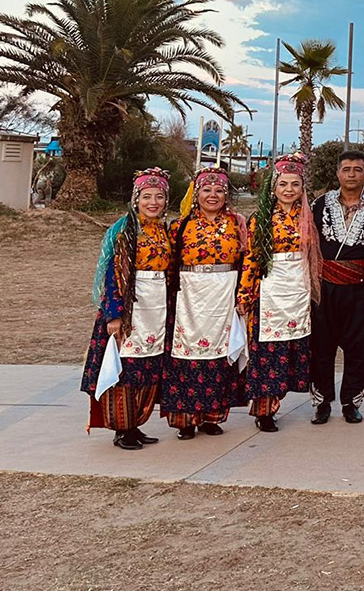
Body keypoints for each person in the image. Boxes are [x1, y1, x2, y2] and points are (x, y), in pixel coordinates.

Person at [80, 167, 172, 450]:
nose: (152, 202)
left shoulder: (163, 231)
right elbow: (113, 275)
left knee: (147, 367)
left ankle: (136, 424)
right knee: (125, 369)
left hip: (155, 307)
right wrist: (114, 315)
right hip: (130, 308)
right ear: (136, 199)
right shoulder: (124, 231)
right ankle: (122, 428)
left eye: (159, 197)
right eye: (147, 197)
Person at [162, 166, 247, 440]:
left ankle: (212, 416)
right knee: (186, 356)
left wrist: (243, 296)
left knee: (220, 357)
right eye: (207, 190)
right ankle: (185, 420)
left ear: (227, 194)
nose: (213, 195)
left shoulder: (238, 224)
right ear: (196, 193)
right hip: (190, 296)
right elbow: (170, 266)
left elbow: (246, 262)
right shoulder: (180, 225)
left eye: (219, 190)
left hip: (224, 294)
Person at [240, 154, 321, 432]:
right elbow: (251, 258)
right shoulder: (261, 218)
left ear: (302, 188)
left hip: (298, 290)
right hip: (270, 290)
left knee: (290, 350)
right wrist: (245, 294)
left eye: (295, 184)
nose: (289, 189)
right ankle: (264, 411)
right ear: (273, 186)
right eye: (283, 183)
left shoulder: (308, 217)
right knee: (267, 351)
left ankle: (277, 402)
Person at [310, 150, 364, 424]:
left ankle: (351, 402)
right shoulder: (319, 205)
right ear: (338, 173)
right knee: (321, 345)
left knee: (358, 345)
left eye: (357, 169)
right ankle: (321, 402)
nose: (352, 174)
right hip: (325, 286)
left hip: (360, 287)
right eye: (346, 169)